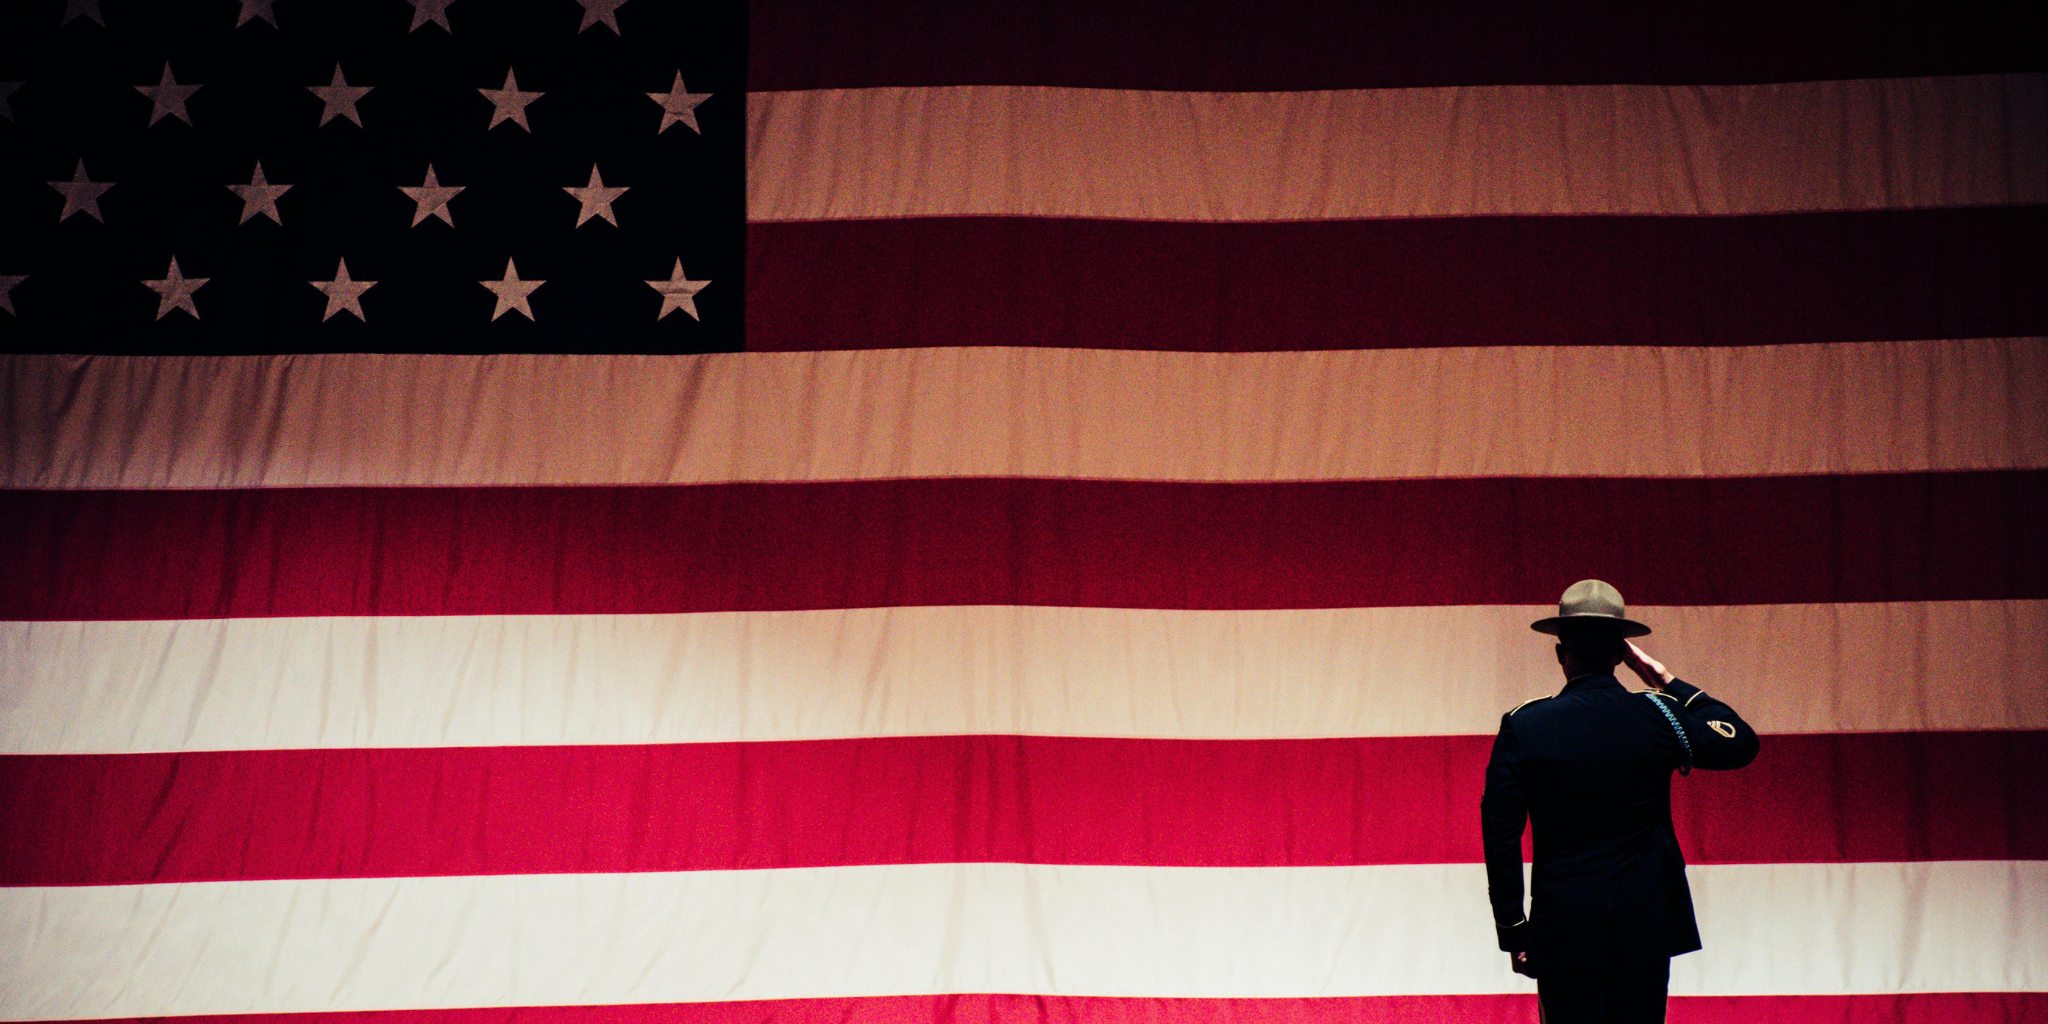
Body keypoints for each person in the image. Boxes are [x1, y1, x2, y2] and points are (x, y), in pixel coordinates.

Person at [1480, 579, 1759, 1022]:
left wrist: (1512, 928)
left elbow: (1500, 834)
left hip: (1563, 923)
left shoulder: (1526, 725)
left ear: (1560, 653)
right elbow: (1739, 742)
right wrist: (1666, 680)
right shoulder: (1660, 715)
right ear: (1620, 654)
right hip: (1645, 921)